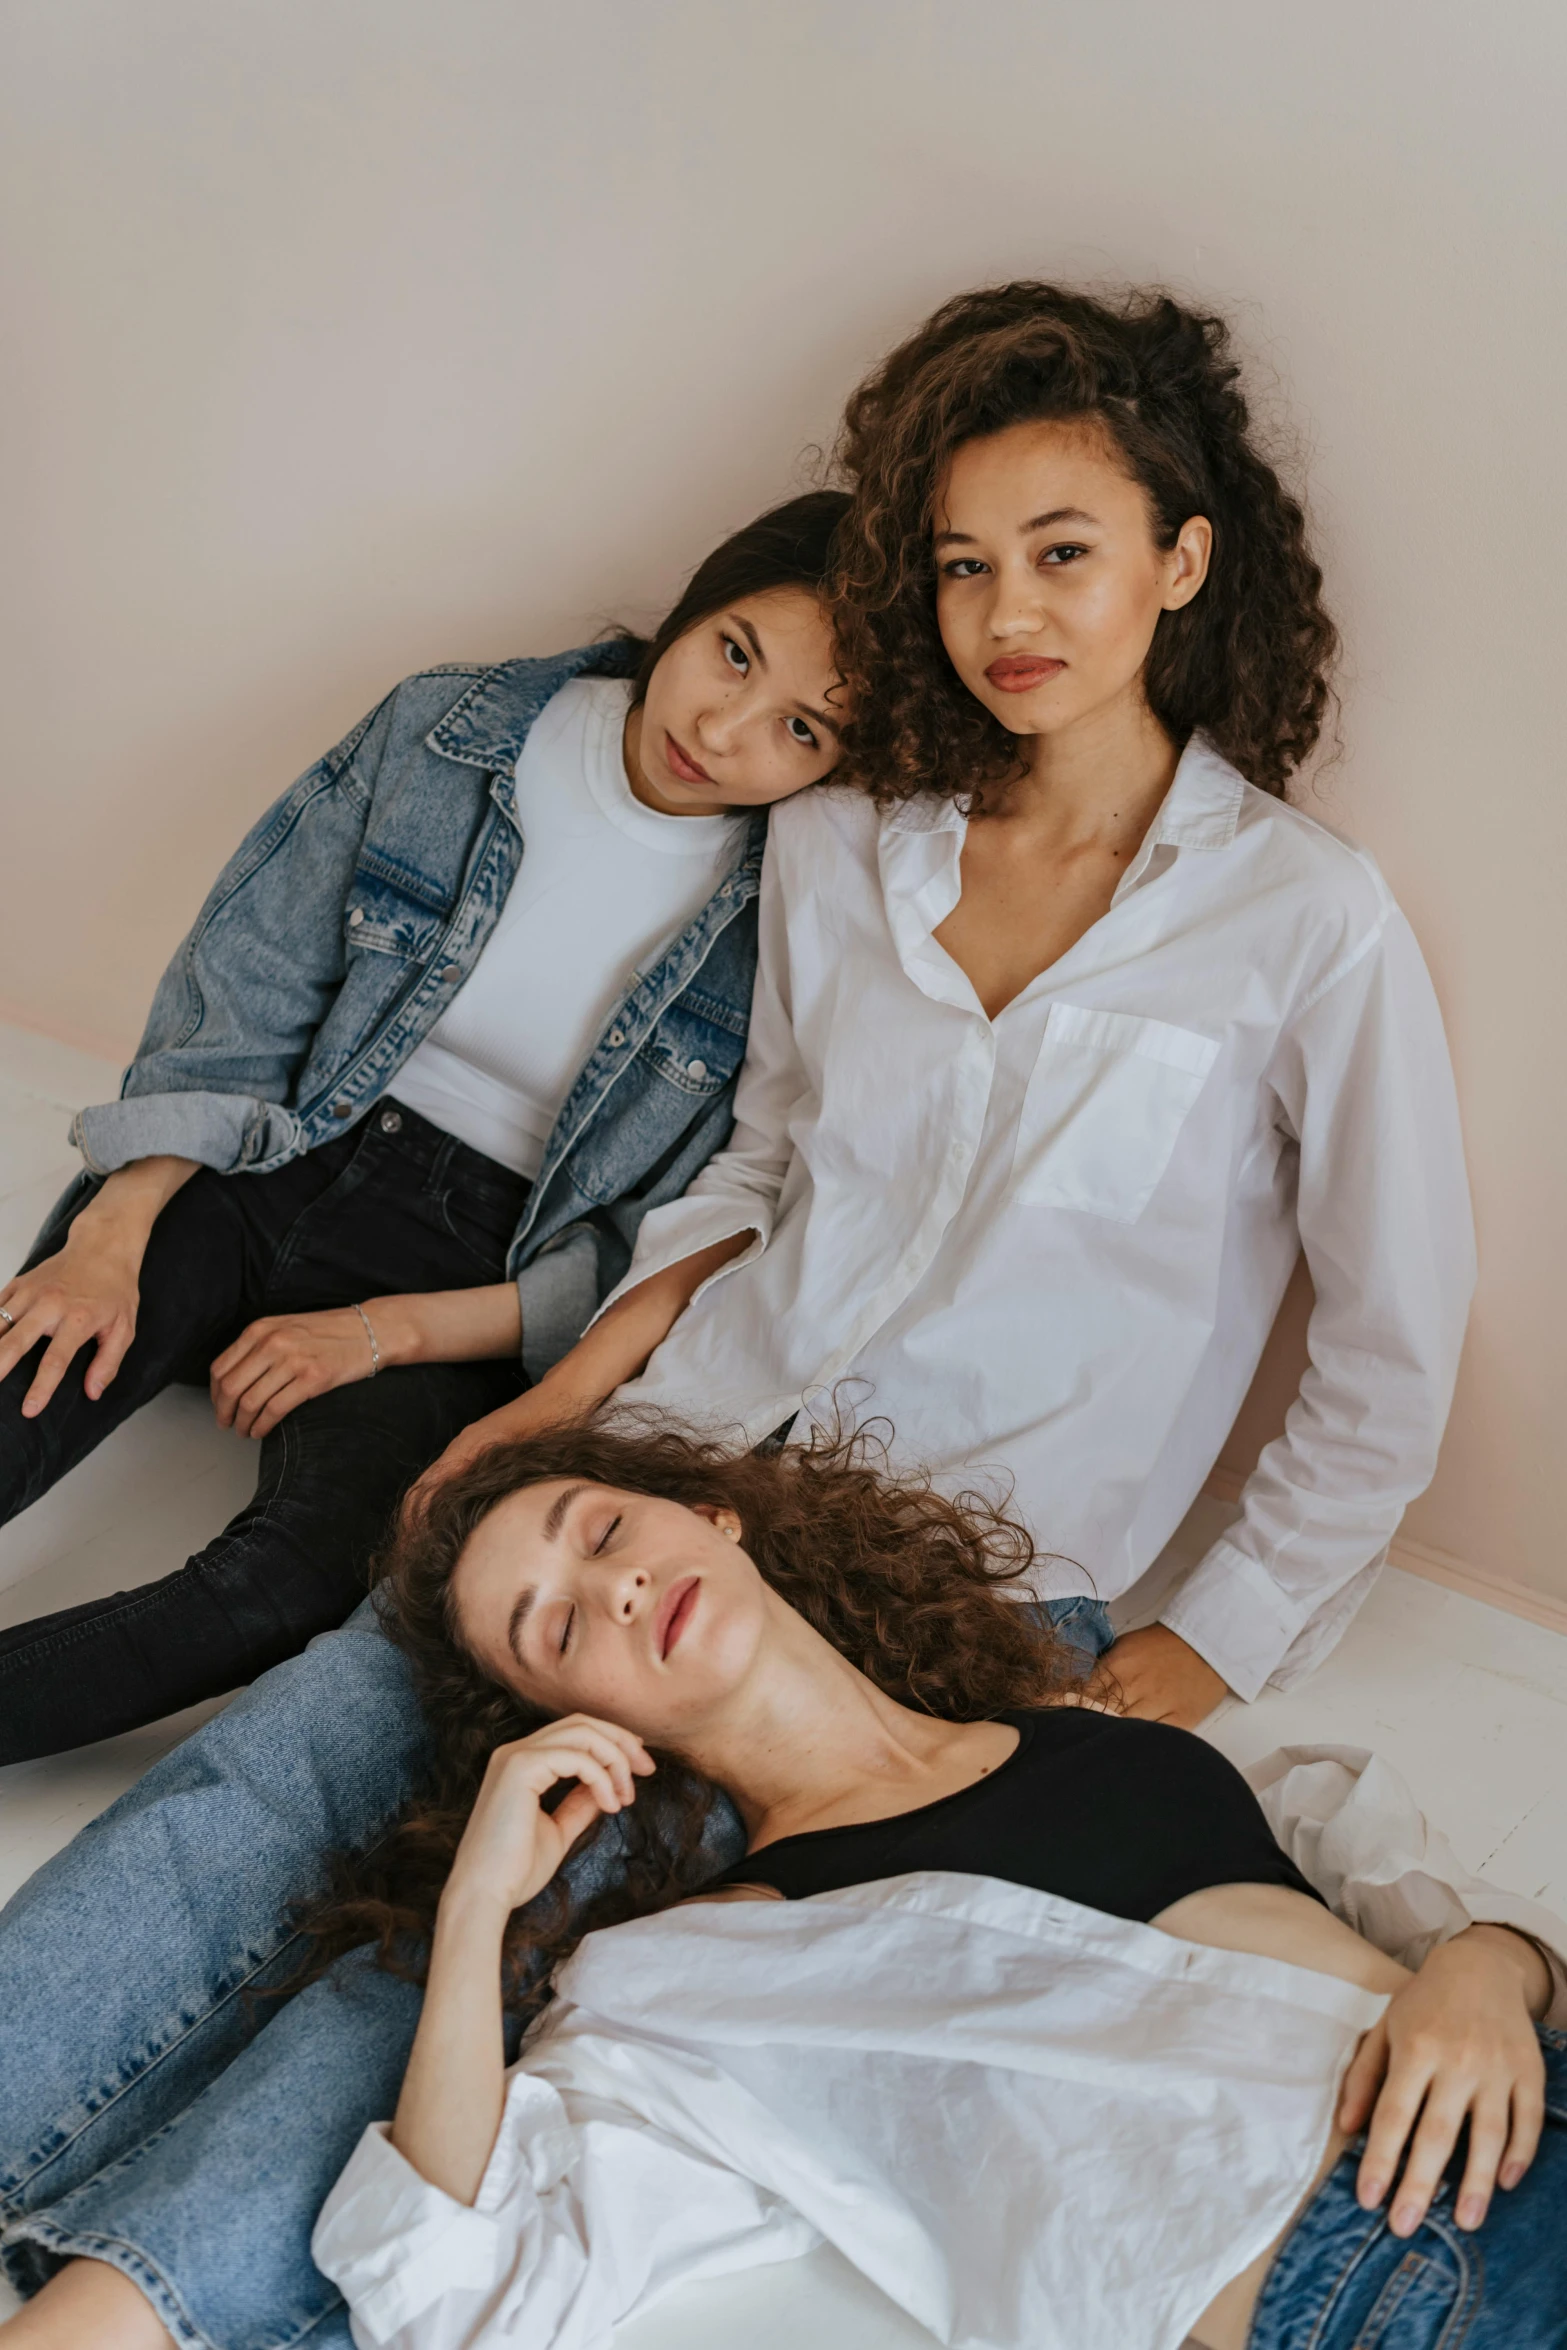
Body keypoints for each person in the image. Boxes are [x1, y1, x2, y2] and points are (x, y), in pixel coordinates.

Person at [424, 283, 1475, 1732]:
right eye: (962, 564)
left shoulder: (1304, 922)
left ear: (1180, 562)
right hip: (692, 1448)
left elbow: (1388, 1344)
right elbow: (764, 1159)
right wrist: (585, 1404)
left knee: (615, 1873)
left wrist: (1223, 1634)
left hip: (970, 1574)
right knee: (358, 1705)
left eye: (1060, 554)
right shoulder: (842, 834)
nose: (1005, 614)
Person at [7, 1421, 1561, 2348]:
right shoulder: (681, 1979)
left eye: (602, 1530)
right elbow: (446, 2284)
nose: (609, 1587)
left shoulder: (1078, 1719)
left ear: (710, 1512)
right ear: (575, 1722)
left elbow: (1392, 1875)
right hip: (1377, 2270)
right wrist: (479, 1913)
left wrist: (1492, 1964)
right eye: (555, 1629)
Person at [0, 491, 849, 1761]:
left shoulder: (793, 918)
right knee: (38, 1361)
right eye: (734, 651)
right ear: (696, 603)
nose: (726, 731)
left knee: (292, 1588)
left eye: (801, 727)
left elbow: (641, 1242)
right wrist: (114, 1228)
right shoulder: (458, 731)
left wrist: (382, 1332)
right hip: (267, 1162)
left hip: (468, 1289)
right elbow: (247, 986)